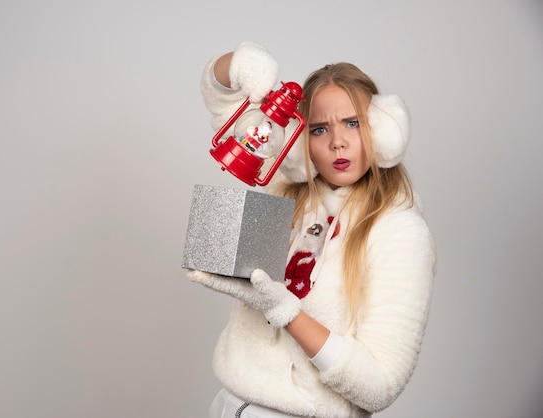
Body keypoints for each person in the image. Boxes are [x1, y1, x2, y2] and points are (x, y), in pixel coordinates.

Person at [187, 41, 437, 418]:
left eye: (352, 123)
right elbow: (225, 102)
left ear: (383, 132)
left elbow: (379, 386)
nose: (338, 141)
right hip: (228, 405)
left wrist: (287, 311)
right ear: (303, 141)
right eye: (319, 129)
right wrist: (238, 64)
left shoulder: (402, 233)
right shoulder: (286, 197)